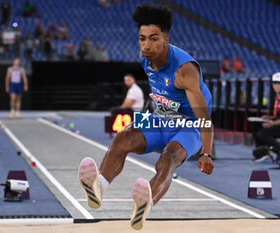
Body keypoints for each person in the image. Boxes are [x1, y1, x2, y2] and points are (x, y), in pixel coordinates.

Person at [78, 3, 213, 230]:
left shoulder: (184, 70)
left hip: (188, 126)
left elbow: (204, 116)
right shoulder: (145, 58)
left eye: (153, 38)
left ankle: (145, 204)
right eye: (142, 39)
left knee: (168, 158)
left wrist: (206, 152)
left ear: (166, 40)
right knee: (122, 137)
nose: (146, 45)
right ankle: (99, 187)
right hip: (159, 117)